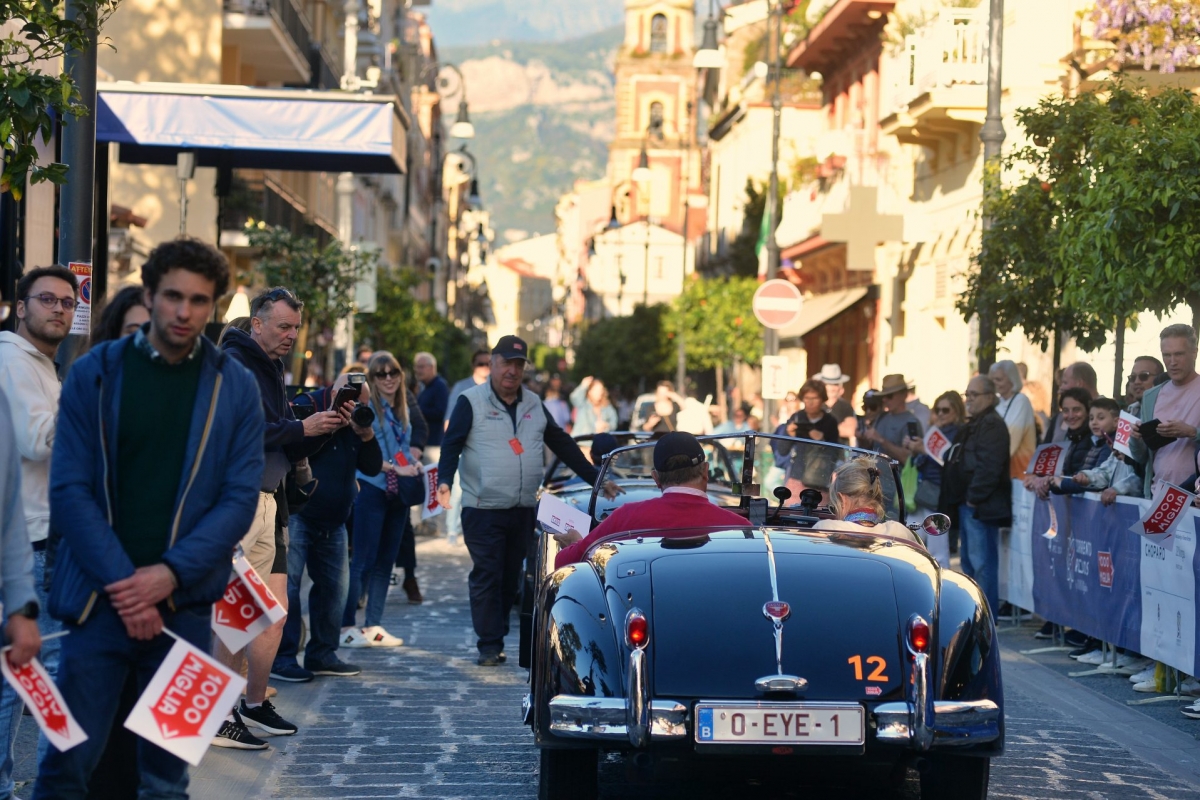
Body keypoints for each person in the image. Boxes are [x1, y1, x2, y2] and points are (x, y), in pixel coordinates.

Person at [35, 238, 265, 797]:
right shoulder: (94, 372)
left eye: (199, 300)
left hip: (186, 613)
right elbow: (69, 490)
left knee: (166, 780)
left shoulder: (235, 385)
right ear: (149, 294)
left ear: (214, 305)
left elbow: (238, 499)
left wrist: (168, 575)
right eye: (172, 296)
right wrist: (128, 587)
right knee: (65, 771)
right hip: (95, 607)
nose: (184, 311)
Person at [214, 287, 347, 748]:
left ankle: (252, 703)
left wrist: (324, 426)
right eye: (283, 326)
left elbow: (287, 441)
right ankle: (219, 714)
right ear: (257, 323)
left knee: (272, 613)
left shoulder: (271, 365)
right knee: (235, 614)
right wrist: (299, 427)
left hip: (270, 500)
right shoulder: (236, 362)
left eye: (295, 327)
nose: (291, 335)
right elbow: (243, 431)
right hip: (240, 500)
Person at [437, 335, 620, 666]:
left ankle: (496, 633)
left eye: (518, 365)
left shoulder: (534, 403)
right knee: (488, 573)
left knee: (510, 576)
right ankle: (489, 644)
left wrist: (596, 478)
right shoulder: (471, 401)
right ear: (493, 363)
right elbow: (451, 444)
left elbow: (562, 443)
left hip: (522, 508)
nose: (512, 371)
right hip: (482, 508)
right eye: (506, 363)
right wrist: (444, 481)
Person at [271, 371, 382, 682]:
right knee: (288, 589)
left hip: (336, 521)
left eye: (363, 405)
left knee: (334, 591)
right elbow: (292, 451)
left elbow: (372, 466)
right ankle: (282, 658)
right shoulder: (308, 408)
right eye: (353, 402)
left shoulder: (356, 423)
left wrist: (366, 435)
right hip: (300, 515)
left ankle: (322, 654)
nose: (356, 409)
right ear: (336, 394)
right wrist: (328, 426)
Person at [553, 432, 747, 567]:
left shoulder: (625, 517)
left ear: (656, 478)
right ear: (705, 471)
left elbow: (565, 562)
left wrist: (576, 543)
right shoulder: (741, 529)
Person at [340, 352, 422, 647]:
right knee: (363, 559)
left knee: (386, 560)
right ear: (372, 379)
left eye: (393, 372)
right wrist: (396, 468)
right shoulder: (367, 409)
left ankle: (373, 625)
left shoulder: (402, 408)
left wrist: (413, 463)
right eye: (381, 374)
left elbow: (403, 448)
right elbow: (365, 456)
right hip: (372, 487)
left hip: (398, 491)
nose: (388, 378)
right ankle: (346, 626)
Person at [940, 375, 1010, 618]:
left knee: (982, 564)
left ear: (989, 397)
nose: (969, 399)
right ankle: (973, 614)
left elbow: (990, 466)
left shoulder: (992, 425)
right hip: (968, 503)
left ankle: (985, 618)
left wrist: (973, 497)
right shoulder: (975, 423)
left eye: (974, 394)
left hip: (980, 505)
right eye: (967, 394)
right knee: (969, 563)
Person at [1131, 324, 1200, 498]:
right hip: (1157, 496)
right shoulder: (1151, 396)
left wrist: (1191, 432)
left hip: (1194, 498)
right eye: (1166, 355)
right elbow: (1141, 457)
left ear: (1194, 353)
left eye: (1179, 354)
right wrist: (1135, 438)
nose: (1172, 362)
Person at [905, 391, 965, 568]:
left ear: (957, 411)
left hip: (939, 495)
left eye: (945, 410)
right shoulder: (936, 430)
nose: (940, 414)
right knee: (909, 539)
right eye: (937, 410)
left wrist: (923, 450)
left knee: (938, 549)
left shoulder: (958, 433)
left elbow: (949, 460)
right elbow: (921, 462)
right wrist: (916, 450)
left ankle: (940, 581)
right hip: (924, 492)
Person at [812, 456, 914, 541]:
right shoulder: (900, 532)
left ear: (842, 500)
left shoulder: (826, 529)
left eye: (833, 506)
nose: (835, 511)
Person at [1025, 388, 1092, 500]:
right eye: (1065, 410)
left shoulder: (1094, 439)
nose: (1071, 415)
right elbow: (1043, 472)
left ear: (1088, 410)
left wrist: (1051, 481)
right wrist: (1038, 479)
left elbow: (1083, 479)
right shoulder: (1069, 436)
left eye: (1076, 409)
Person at [989, 360, 1037, 477]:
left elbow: (1011, 437)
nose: (995, 383)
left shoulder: (1021, 401)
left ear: (1012, 379)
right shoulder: (998, 403)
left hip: (1020, 471)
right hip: (1002, 471)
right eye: (993, 380)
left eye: (999, 379)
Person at [859, 374, 921, 462]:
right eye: (883, 396)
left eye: (889, 396)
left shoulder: (911, 422)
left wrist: (882, 440)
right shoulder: (882, 417)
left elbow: (908, 459)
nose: (884, 400)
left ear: (904, 395)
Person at [1042, 362, 1099, 443]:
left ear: (1079, 384)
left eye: (1065, 383)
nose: (1060, 389)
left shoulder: (1109, 414)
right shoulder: (1058, 419)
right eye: (1066, 410)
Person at [814, 364, 857, 443]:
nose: (831, 387)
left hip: (838, 449)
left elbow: (850, 431)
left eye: (835, 384)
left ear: (841, 388)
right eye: (827, 383)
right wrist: (839, 428)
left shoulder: (845, 406)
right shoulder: (815, 405)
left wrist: (821, 428)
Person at [414, 351, 449, 448]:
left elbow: (441, 413)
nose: (418, 370)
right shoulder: (424, 387)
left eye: (421, 367)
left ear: (432, 367)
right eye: (416, 367)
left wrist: (416, 412)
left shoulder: (440, 386)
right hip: (425, 442)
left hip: (434, 443)